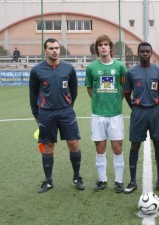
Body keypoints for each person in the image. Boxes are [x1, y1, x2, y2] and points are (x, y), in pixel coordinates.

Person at [29, 38, 85, 193]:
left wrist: (68, 105)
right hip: (46, 113)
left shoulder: (68, 68)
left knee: (73, 143)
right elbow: (33, 94)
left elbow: (73, 89)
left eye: (57, 48)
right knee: (47, 146)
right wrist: (36, 113)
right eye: (51, 48)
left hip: (66, 111)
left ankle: (76, 177)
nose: (55, 50)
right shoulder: (37, 70)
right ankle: (48, 181)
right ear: (45, 50)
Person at [123, 42, 159, 194]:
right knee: (135, 145)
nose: (145, 53)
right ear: (138, 53)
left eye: (147, 51)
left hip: (155, 112)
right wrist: (135, 107)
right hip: (138, 112)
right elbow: (126, 93)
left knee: (158, 145)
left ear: (151, 53)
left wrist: (155, 103)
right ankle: (132, 181)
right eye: (142, 51)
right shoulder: (131, 72)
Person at [85, 35, 126, 193]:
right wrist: (99, 101)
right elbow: (90, 89)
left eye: (105, 45)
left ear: (110, 48)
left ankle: (118, 181)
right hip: (98, 114)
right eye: (100, 45)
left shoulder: (120, 67)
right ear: (97, 49)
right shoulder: (91, 68)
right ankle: (102, 180)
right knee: (100, 148)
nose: (103, 47)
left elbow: (124, 88)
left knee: (117, 147)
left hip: (115, 114)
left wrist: (115, 101)